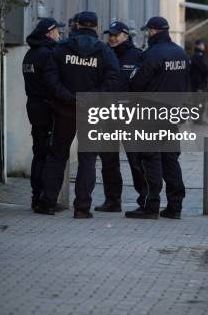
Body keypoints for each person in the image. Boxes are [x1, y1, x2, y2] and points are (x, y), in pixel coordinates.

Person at [38, 11, 121, 218]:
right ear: (95, 27)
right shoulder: (104, 50)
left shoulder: (61, 48)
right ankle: (82, 208)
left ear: (76, 25)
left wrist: (67, 97)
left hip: (64, 110)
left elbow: (50, 76)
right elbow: (113, 79)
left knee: (57, 156)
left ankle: (47, 203)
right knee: (88, 159)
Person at [128, 16, 189, 220]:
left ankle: (151, 206)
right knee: (171, 159)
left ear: (153, 31)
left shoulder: (152, 55)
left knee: (150, 159)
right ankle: (175, 206)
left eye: (148, 31)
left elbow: (136, 83)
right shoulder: (180, 53)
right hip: (172, 114)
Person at [94, 20, 144, 213]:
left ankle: (145, 200)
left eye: (116, 35)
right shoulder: (103, 54)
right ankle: (112, 200)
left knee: (136, 160)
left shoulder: (138, 56)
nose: (112, 38)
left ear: (126, 35)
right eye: (110, 35)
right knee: (108, 161)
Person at [22, 17, 65, 212]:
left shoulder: (30, 54)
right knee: (48, 155)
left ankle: (35, 197)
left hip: (33, 106)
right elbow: (52, 83)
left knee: (38, 153)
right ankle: (44, 200)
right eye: (57, 31)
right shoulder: (48, 54)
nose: (59, 34)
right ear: (49, 33)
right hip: (47, 108)